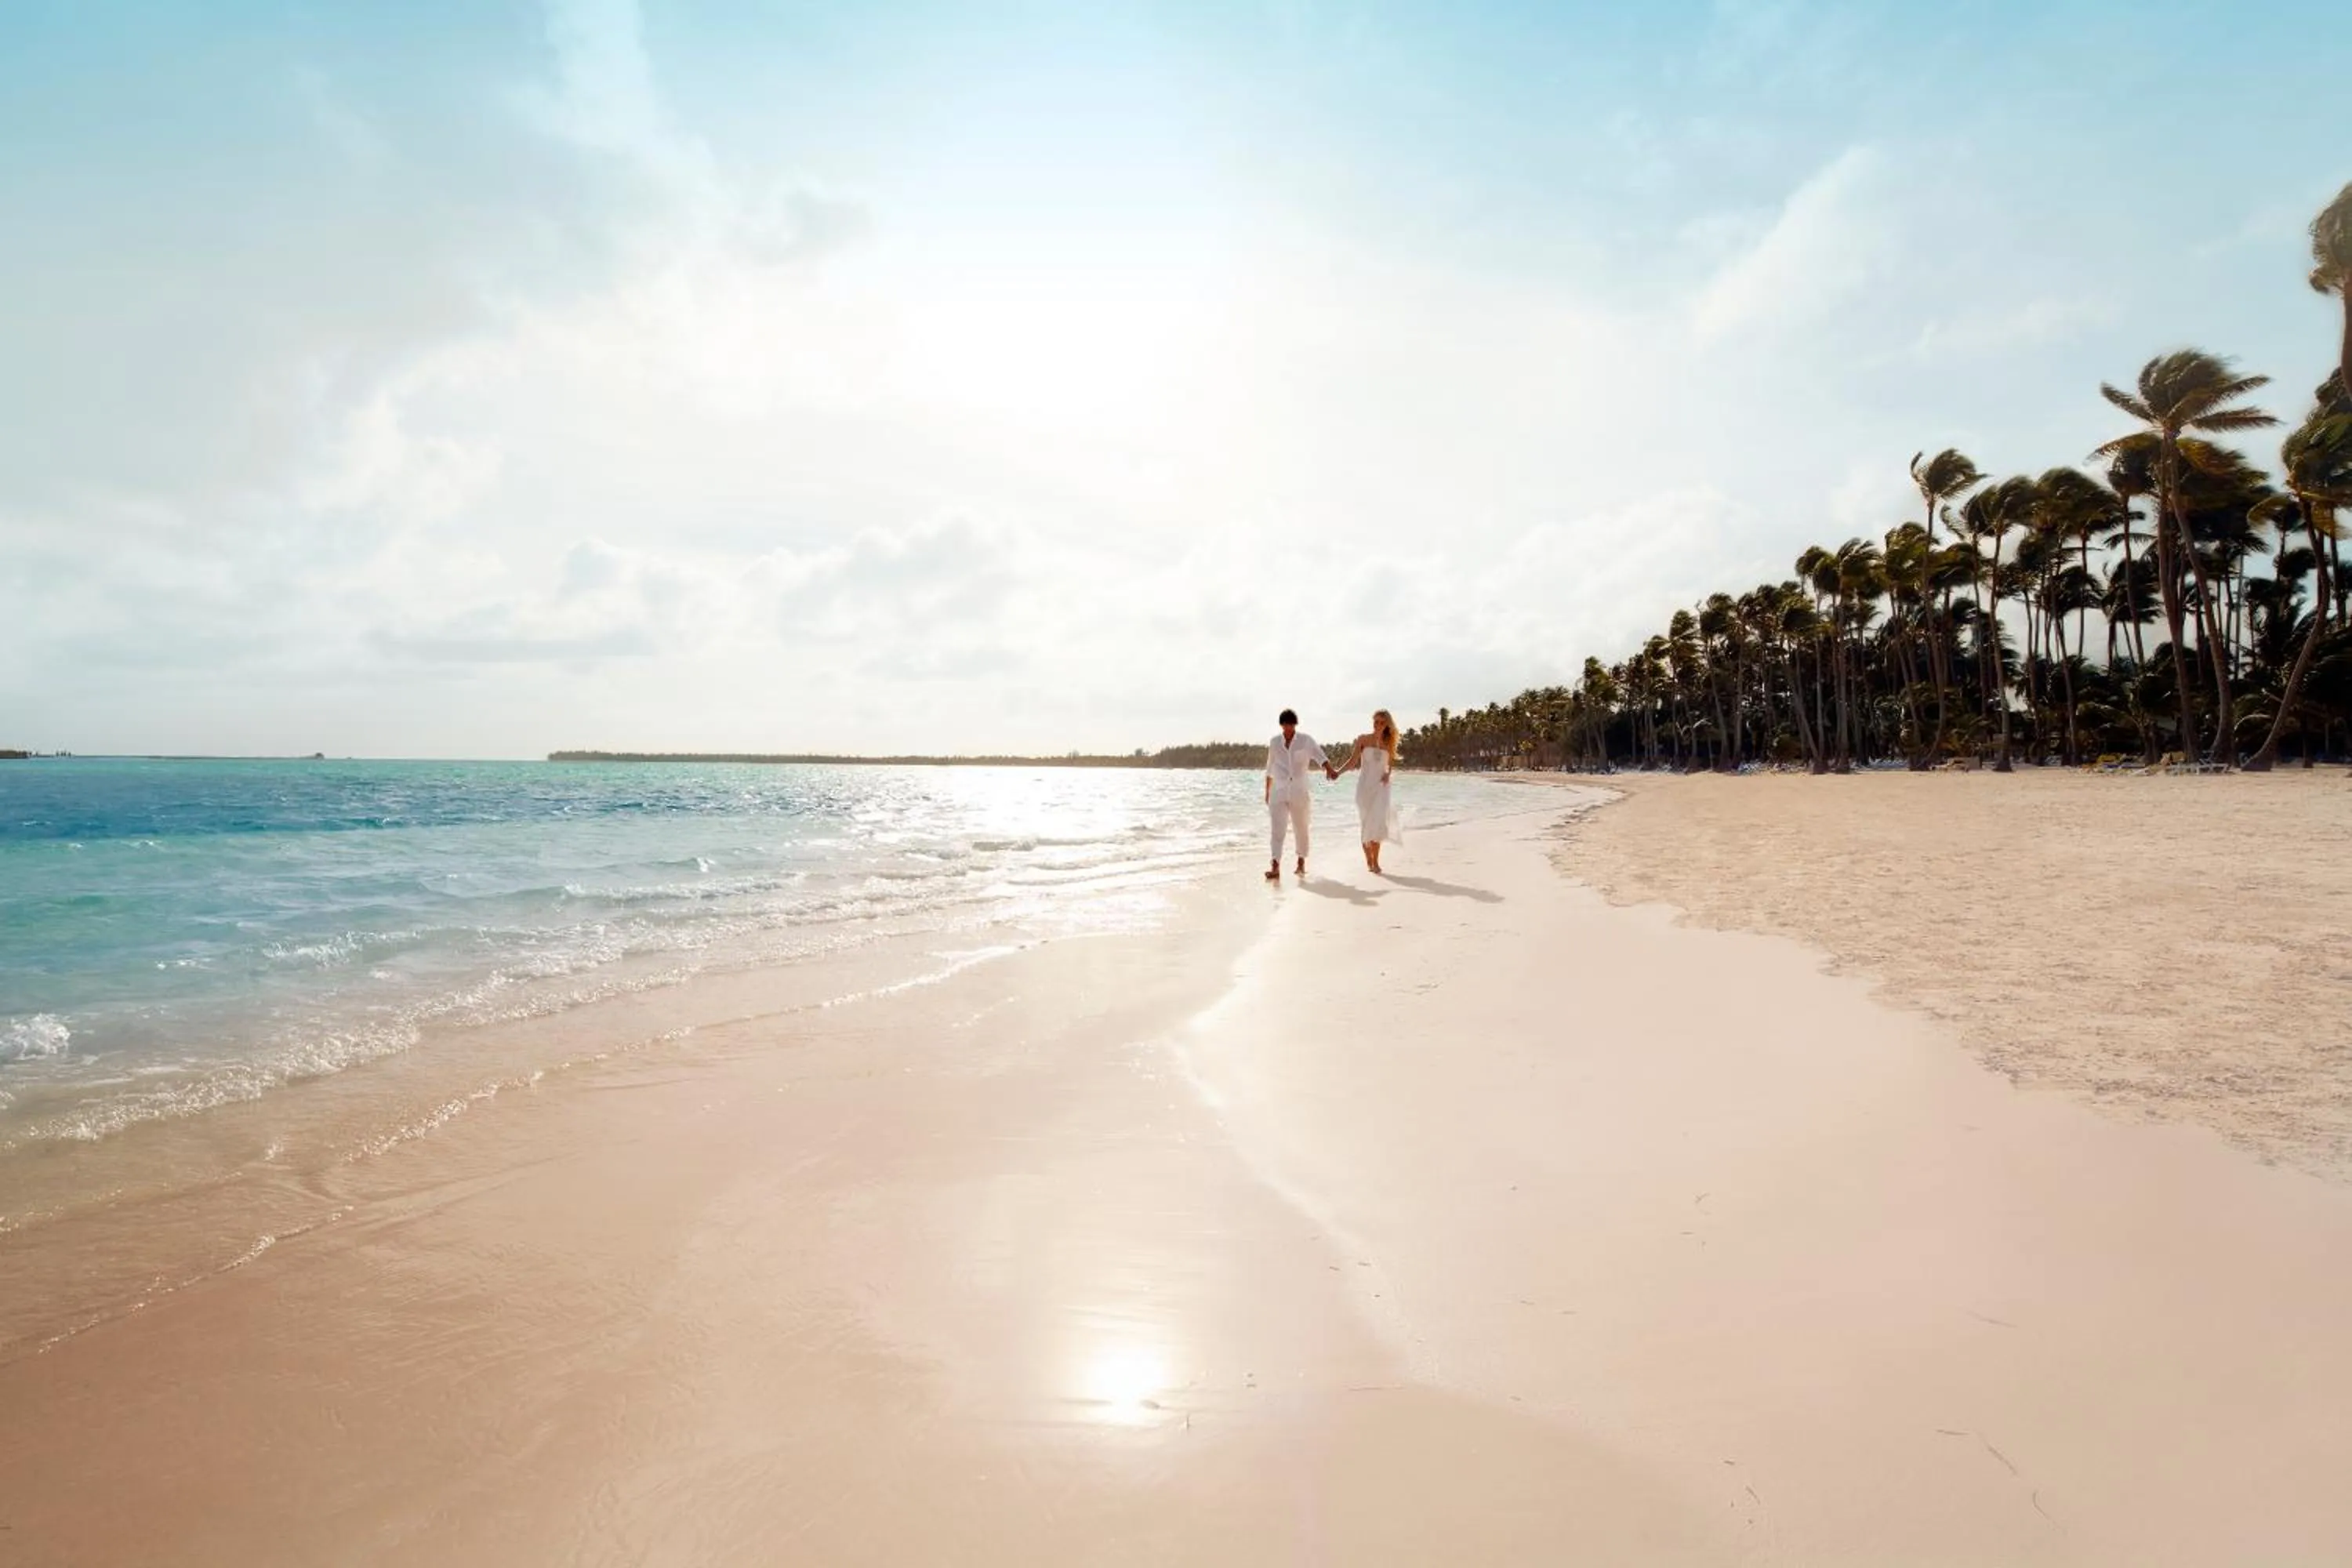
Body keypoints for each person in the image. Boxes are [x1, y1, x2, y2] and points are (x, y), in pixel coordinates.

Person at [1262, 708, 1333, 881]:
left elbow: (1320, 756)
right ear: (1281, 725)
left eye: (1291, 724)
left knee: (1300, 827)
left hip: (1299, 791)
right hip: (1278, 792)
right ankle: (1275, 866)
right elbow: (1270, 767)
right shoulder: (1274, 742)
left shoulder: (1305, 740)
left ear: (1295, 724)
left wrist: (1329, 770)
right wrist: (1267, 791)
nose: (1289, 728)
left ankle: (1301, 862)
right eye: (1286, 725)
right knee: (1277, 830)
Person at [1330, 709, 1403, 873]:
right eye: (1375, 722)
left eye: (1382, 723)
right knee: (1366, 825)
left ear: (1387, 725)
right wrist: (1338, 773)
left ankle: (1376, 862)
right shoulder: (1363, 739)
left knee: (1378, 824)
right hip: (1364, 788)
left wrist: (1387, 775)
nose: (1378, 725)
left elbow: (1389, 767)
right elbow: (1352, 761)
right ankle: (1368, 860)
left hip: (1381, 789)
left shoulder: (1389, 744)